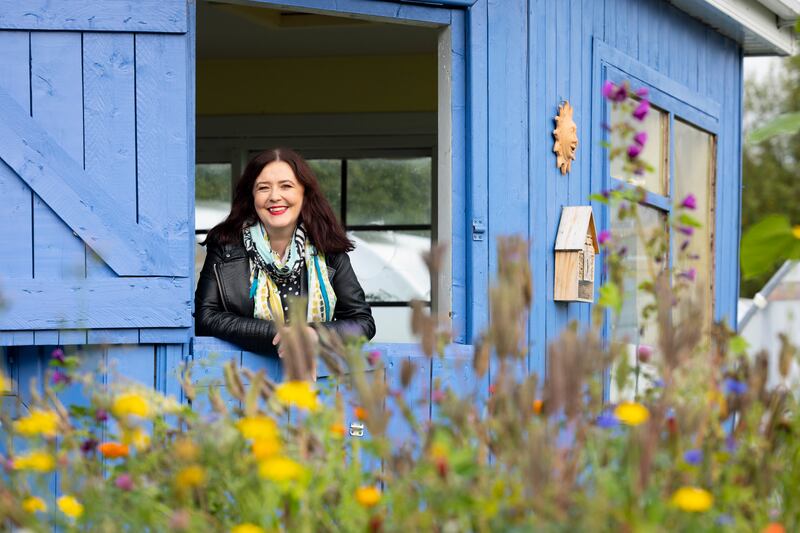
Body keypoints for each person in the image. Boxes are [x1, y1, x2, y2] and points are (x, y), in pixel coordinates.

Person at [194, 147, 375, 356]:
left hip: (317, 382)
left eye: (286, 186)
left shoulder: (329, 250)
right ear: (252, 196)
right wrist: (281, 336)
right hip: (243, 379)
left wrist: (314, 335)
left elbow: (363, 323)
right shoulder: (225, 246)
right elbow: (205, 318)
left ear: (304, 193)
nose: (274, 196)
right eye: (263, 188)